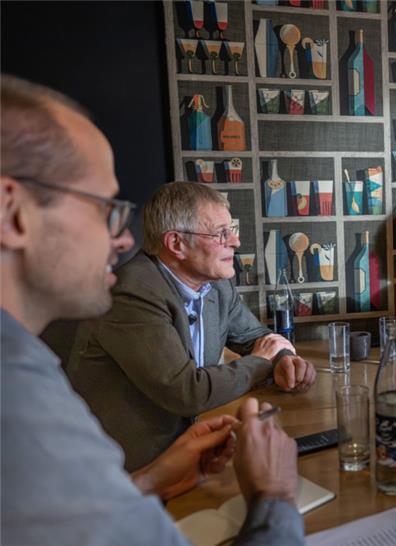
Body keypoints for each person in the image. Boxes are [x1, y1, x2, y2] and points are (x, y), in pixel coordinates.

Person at [1, 75, 303, 545]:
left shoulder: (24, 363)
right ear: (11, 212)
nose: (122, 239)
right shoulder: (16, 400)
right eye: (103, 209)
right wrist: (275, 496)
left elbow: (70, 522)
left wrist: (147, 482)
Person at [66, 181, 317, 471]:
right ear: (176, 244)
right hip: (125, 470)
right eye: (221, 234)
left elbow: (255, 337)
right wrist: (263, 362)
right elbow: (187, 392)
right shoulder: (132, 292)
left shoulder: (217, 284)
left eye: (231, 231)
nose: (235, 242)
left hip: (189, 453)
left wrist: (285, 361)